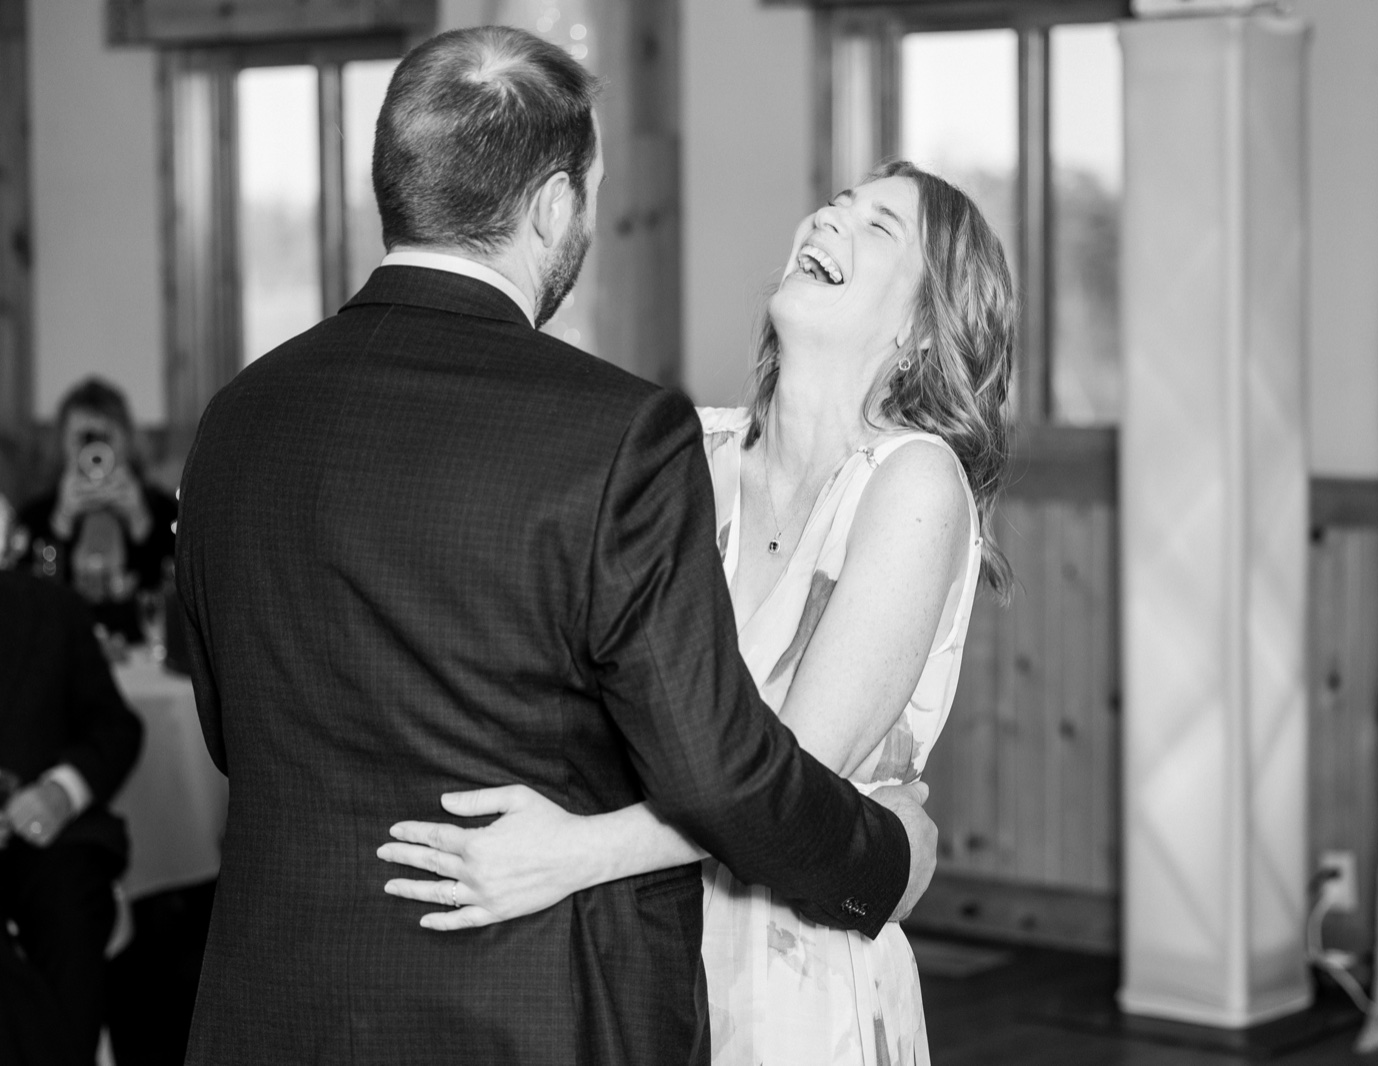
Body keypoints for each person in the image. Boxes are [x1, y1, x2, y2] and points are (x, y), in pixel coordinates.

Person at [173, 26, 936, 1066]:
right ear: (550, 207)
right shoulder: (617, 435)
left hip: (277, 1003)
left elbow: (231, 730)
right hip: (528, 1010)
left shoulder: (236, 419)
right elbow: (717, 773)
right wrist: (880, 855)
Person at [380, 161, 1016, 1064]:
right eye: (839, 204)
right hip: (637, 945)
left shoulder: (914, 482)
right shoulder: (681, 452)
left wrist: (568, 855)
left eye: (879, 228)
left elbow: (787, 785)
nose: (832, 219)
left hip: (796, 974)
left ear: (922, 331)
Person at [0, 569, 145, 1065]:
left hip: (49, 839)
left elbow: (115, 726)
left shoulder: (49, 607)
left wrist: (63, 792)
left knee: (71, 911)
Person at [15, 378, 178, 645]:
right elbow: (24, 597)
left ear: (126, 441)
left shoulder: (160, 510)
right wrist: (60, 524)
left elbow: (177, 589)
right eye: (83, 439)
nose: (94, 451)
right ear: (62, 445)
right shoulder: (37, 515)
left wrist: (141, 524)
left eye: (105, 438)